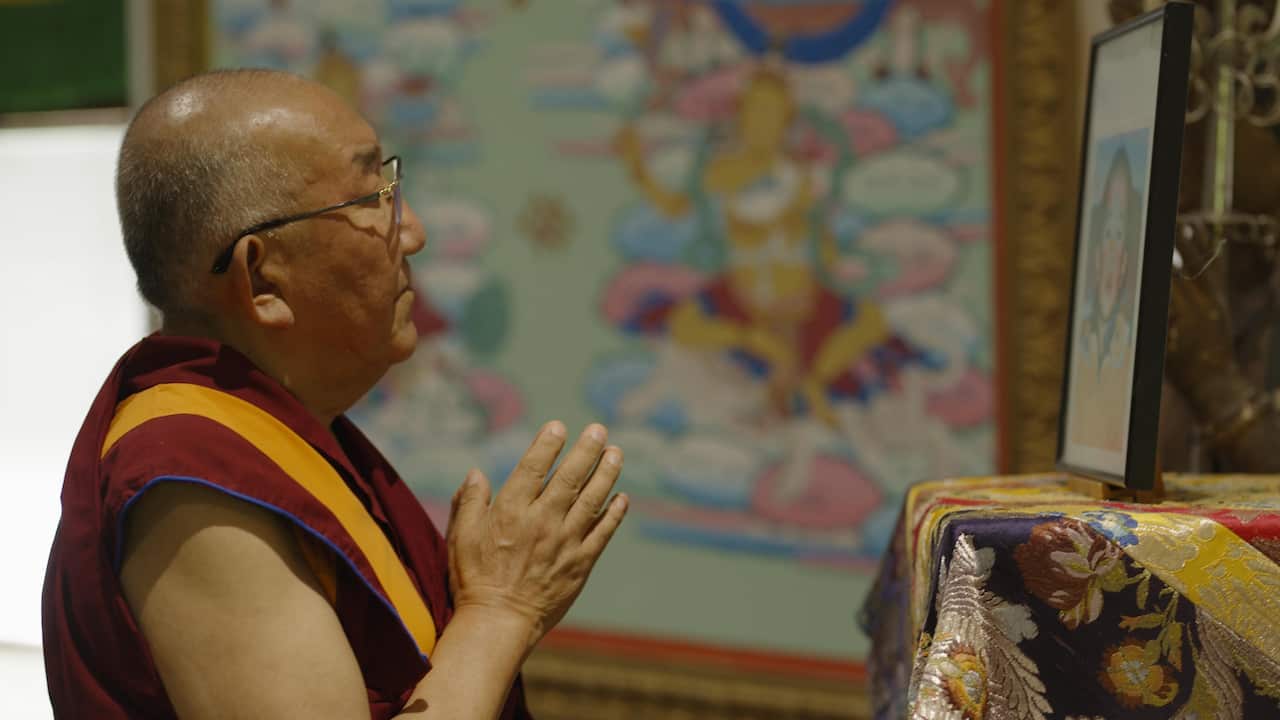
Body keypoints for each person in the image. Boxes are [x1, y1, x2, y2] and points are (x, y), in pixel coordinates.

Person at [41, 68, 629, 719]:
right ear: (262, 278)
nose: (412, 232)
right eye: (372, 197)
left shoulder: (276, 439)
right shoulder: (192, 485)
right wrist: (500, 610)